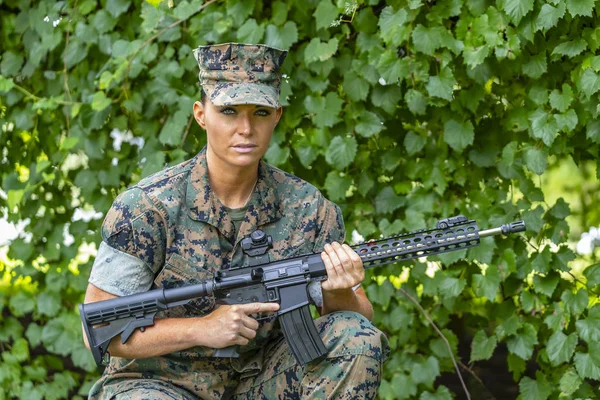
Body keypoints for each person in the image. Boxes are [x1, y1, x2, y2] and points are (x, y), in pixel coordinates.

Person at [83, 42, 389, 399]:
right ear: (201, 114)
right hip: (159, 384)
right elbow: (101, 326)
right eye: (229, 111)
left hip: (264, 380)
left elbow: (358, 314)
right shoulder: (146, 208)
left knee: (356, 338)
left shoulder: (308, 207)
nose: (245, 128)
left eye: (259, 112)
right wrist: (201, 329)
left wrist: (338, 290)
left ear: (276, 116)